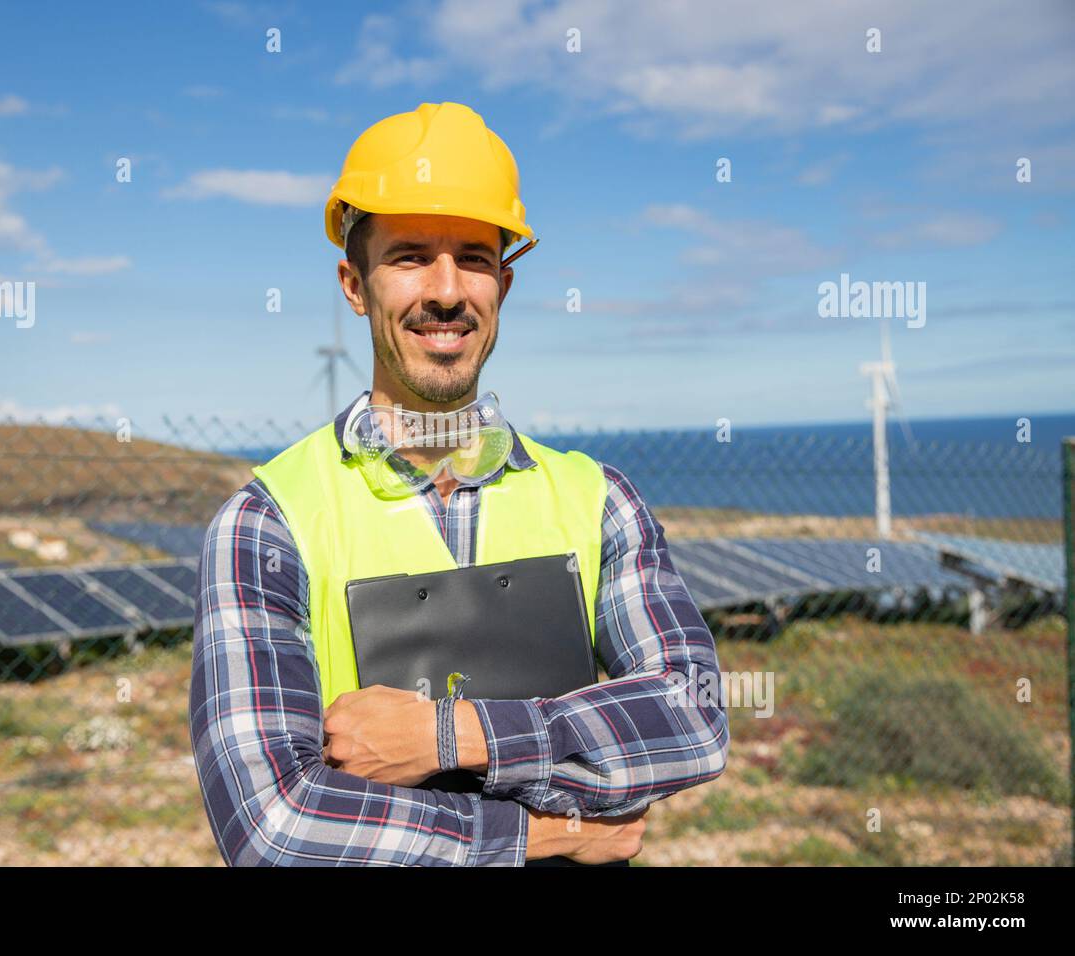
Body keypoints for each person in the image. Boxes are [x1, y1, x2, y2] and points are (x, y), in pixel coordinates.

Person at [189, 101, 728, 866]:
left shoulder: (599, 499)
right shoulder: (267, 523)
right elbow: (273, 824)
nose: (446, 292)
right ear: (354, 284)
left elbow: (693, 720)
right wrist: (542, 834)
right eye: (410, 256)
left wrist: (453, 735)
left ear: (503, 285)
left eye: (473, 257)